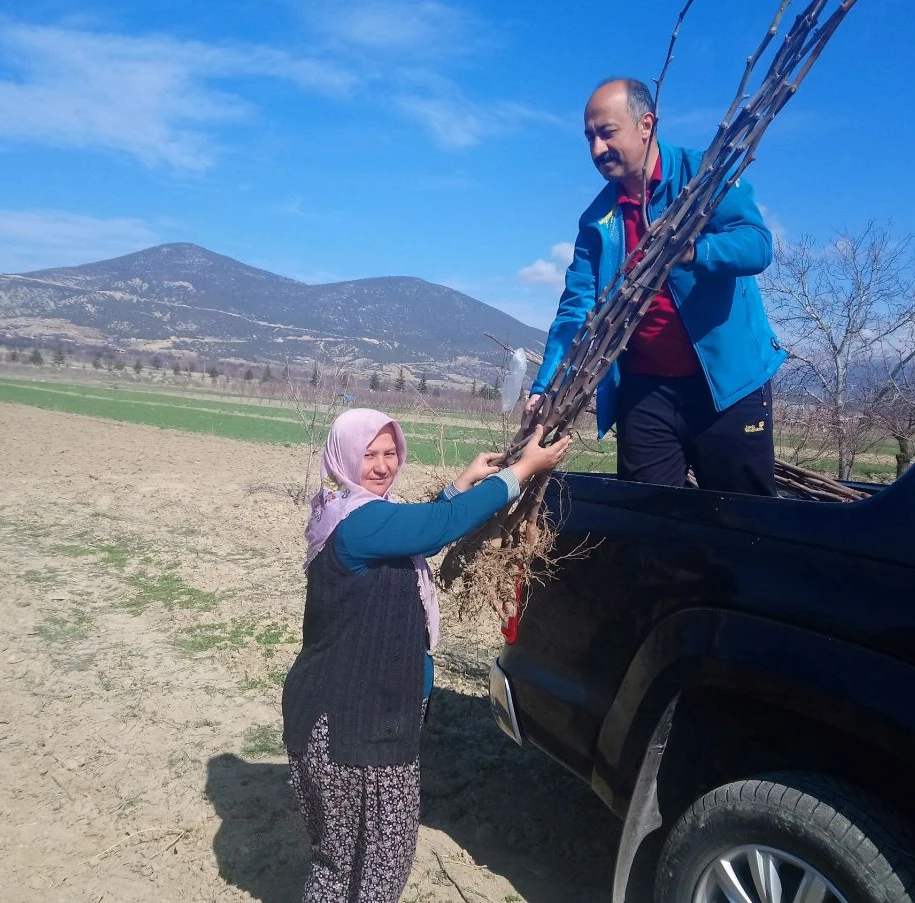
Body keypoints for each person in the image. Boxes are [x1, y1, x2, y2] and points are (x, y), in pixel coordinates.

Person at [282, 409, 571, 902]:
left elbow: (415, 526)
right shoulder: (361, 523)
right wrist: (519, 472)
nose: (381, 465)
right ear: (344, 458)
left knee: (340, 865)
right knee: (374, 868)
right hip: (354, 729)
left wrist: (460, 485)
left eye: (389, 452)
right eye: (368, 454)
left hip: (349, 716)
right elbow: (435, 528)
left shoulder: (350, 512)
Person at [529, 77, 787, 495]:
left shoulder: (703, 179)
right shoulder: (598, 219)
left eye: (607, 133)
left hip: (727, 384)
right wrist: (547, 387)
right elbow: (576, 308)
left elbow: (757, 245)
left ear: (645, 124)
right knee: (651, 524)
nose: (596, 149)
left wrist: (693, 251)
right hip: (645, 390)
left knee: (743, 521)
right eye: (589, 138)